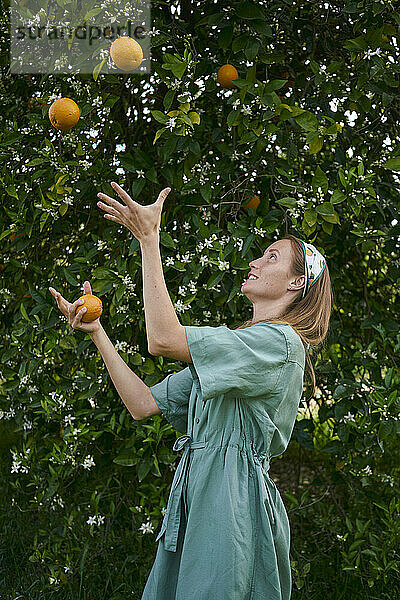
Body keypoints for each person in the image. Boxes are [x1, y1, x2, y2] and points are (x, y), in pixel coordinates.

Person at [140, 234, 333, 600]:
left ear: (296, 281)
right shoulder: (238, 349)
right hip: (197, 494)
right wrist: (96, 332)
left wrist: (150, 239)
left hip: (231, 502)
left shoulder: (280, 343)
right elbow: (143, 403)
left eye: (271, 257)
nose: (254, 263)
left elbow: (162, 339)